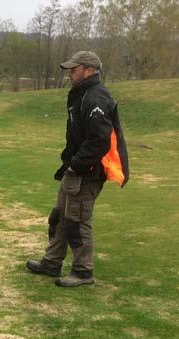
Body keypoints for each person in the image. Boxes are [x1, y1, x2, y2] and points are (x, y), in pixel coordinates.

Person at [26, 51, 129, 287]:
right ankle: (52, 263)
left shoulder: (95, 98)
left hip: (89, 171)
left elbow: (100, 140)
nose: (70, 74)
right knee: (60, 216)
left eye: (74, 69)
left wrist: (78, 164)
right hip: (75, 168)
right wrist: (69, 164)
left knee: (77, 220)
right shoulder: (81, 95)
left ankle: (83, 271)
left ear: (89, 70)